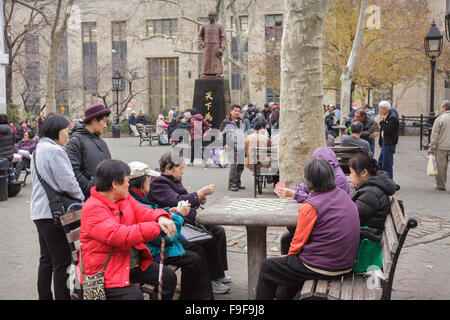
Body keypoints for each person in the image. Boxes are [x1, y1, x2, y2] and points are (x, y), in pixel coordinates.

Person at [255, 158, 360, 300]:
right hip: (346, 263)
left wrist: (287, 258)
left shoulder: (311, 206)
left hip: (324, 266)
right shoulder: (343, 195)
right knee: (289, 266)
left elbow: (297, 243)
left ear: (308, 181)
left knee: (267, 268)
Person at [77, 159, 177, 300]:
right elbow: (120, 236)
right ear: (115, 184)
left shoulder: (123, 197)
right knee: (134, 296)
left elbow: (142, 211)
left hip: (126, 261)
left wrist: (160, 217)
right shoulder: (93, 208)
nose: (129, 184)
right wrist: (156, 227)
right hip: (104, 270)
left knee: (167, 277)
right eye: (126, 181)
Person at [148, 151, 232, 294]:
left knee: (218, 230)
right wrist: (198, 195)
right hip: (175, 224)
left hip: (183, 220)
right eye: (179, 168)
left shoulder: (172, 180)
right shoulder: (159, 183)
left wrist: (198, 199)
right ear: (168, 168)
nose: (182, 172)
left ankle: (218, 273)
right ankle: (211, 279)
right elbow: (176, 202)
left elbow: (182, 199)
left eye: (183, 168)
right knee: (206, 239)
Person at [127, 161, 213, 300]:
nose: (151, 181)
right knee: (192, 260)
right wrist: (178, 215)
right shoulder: (135, 200)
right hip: (149, 251)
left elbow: (152, 213)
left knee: (198, 248)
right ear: (140, 181)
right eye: (148, 178)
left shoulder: (138, 197)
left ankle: (202, 294)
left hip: (150, 246)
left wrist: (168, 212)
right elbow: (163, 237)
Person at [30, 114, 85, 300]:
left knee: (46, 259)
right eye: (66, 131)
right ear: (57, 130)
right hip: (56, 214)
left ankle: (44, 296)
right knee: (61, 262)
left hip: (39, 212)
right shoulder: (55, 151)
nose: (68, 135)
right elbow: (68, 182)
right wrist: (81, 199)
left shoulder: (39, 148)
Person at [277, 146, 351, 255]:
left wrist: (297, 195)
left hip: (327, 234)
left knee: (269, 265)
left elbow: (323, 202)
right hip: (330, 238)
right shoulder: (326, 177)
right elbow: (307, 188)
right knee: (287, 238)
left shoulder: (337, 180)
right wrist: (293, 191)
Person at [349, 151, 398, 273]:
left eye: (351, 172)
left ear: (364, 173)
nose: (350, 176)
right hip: (362, 239)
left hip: (360, 252)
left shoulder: (370, 195)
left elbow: (350, 220)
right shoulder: (372, 189)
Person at [64, 104, 112, 200]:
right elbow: (73, 172)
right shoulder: (75, 142)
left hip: (105, 196)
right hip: (90, 198)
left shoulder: (102, 142)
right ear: (94, 120)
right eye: (104, 121)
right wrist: (90, 189)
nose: (105, 125)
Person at [220, 104, 246, 191]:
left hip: (241, 146)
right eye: (235, 111)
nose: (237, 113)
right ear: (231, 111)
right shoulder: (226, 122)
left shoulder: (241, 121)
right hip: (231, 146)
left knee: (240, 166)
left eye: (238, 111)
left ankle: (238, 183)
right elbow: (220, 134)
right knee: (234, 166)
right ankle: (231, 185)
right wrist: (224, 143)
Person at [428, 100, 450, 191]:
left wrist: (431, 148)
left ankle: (441, 185)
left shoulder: (440, 119)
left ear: (444, 108)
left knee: (441, 167)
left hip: (441, 146)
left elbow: (435, 135)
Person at [198, 11, 226, 78]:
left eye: (213, 15)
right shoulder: (204, 26)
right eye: (210, 15)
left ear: (215, 17)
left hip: (216, 46)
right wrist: (202, 43)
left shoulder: (219, 25)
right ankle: (206, 72)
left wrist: (222, 48)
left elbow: (223, 37)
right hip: (207, 46)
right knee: (207, 60)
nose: (211, 17)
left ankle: (217, 72)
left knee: (216, 61)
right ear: (208, 16)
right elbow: (200, 36)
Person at [377, 101, 399, 179]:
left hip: (389, 143)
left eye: (380, 109)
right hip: (384, 142)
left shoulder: (392, 117)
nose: (379, 111)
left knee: (387, 164)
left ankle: (389, 181)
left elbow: (386, 130)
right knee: (380, 163)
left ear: (385, 109)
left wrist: (381, 122)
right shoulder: (387, 114)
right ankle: (381, 179)